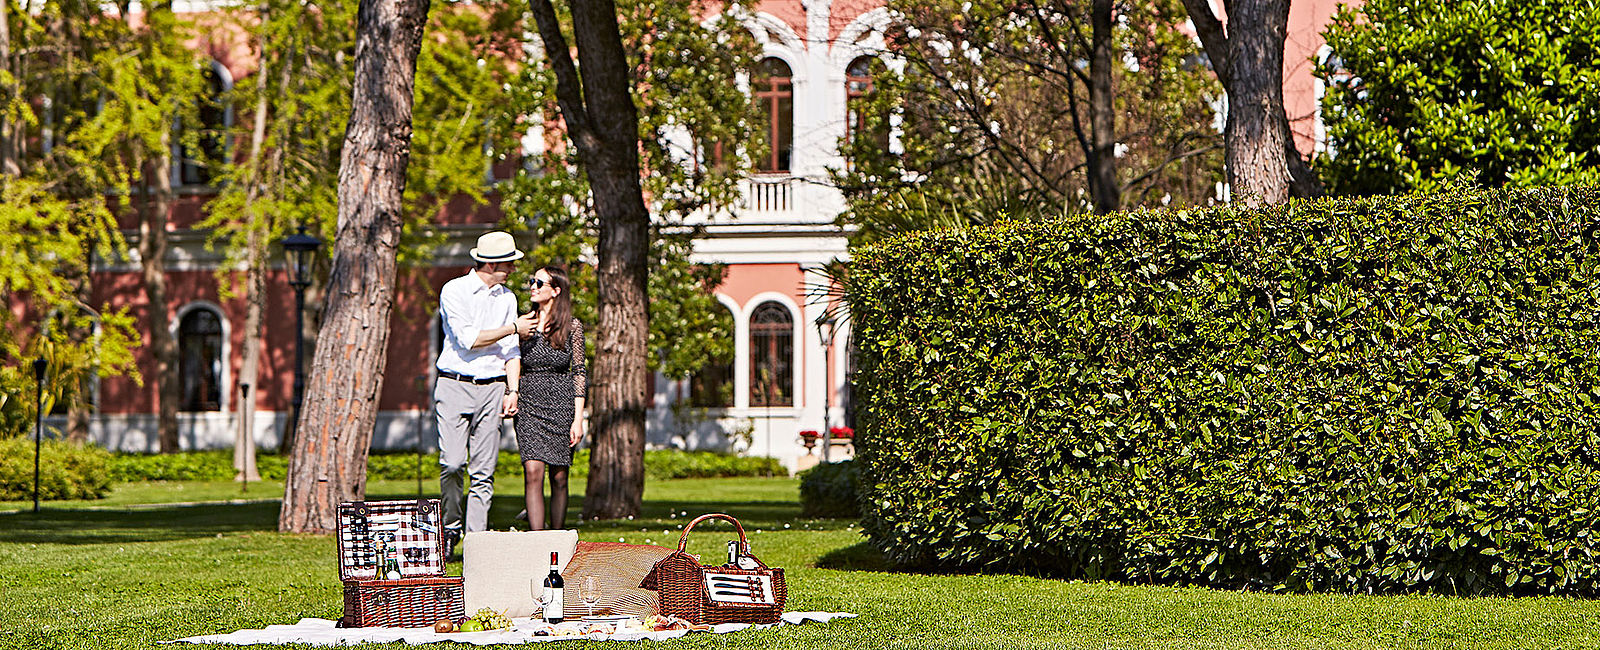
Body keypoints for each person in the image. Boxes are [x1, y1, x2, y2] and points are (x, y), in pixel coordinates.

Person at [435, 231, 535, 555]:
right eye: (509, 263)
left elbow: (511, 350)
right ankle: (450, 527)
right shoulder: (455, 290)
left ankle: (475, 544)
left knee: (483, 472)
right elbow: (468, 339)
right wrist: (513, 327)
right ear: (491, 262)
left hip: (493, 387)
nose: (514, 269)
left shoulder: (507, 298)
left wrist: (513, 389)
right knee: (451, 463)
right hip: (454, 384)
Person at [513, 265, 587, 530]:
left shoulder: (572, 327)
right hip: (529, 402)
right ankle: (537, 539)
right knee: (533, 471)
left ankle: (557, 540)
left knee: (559, 477)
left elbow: (579, 371)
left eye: (539, 283)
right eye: (532, 281)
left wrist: (578, 419)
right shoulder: (524, 324)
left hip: (562, 403)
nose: (533, 286)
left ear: (556, 291)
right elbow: (512, 362)